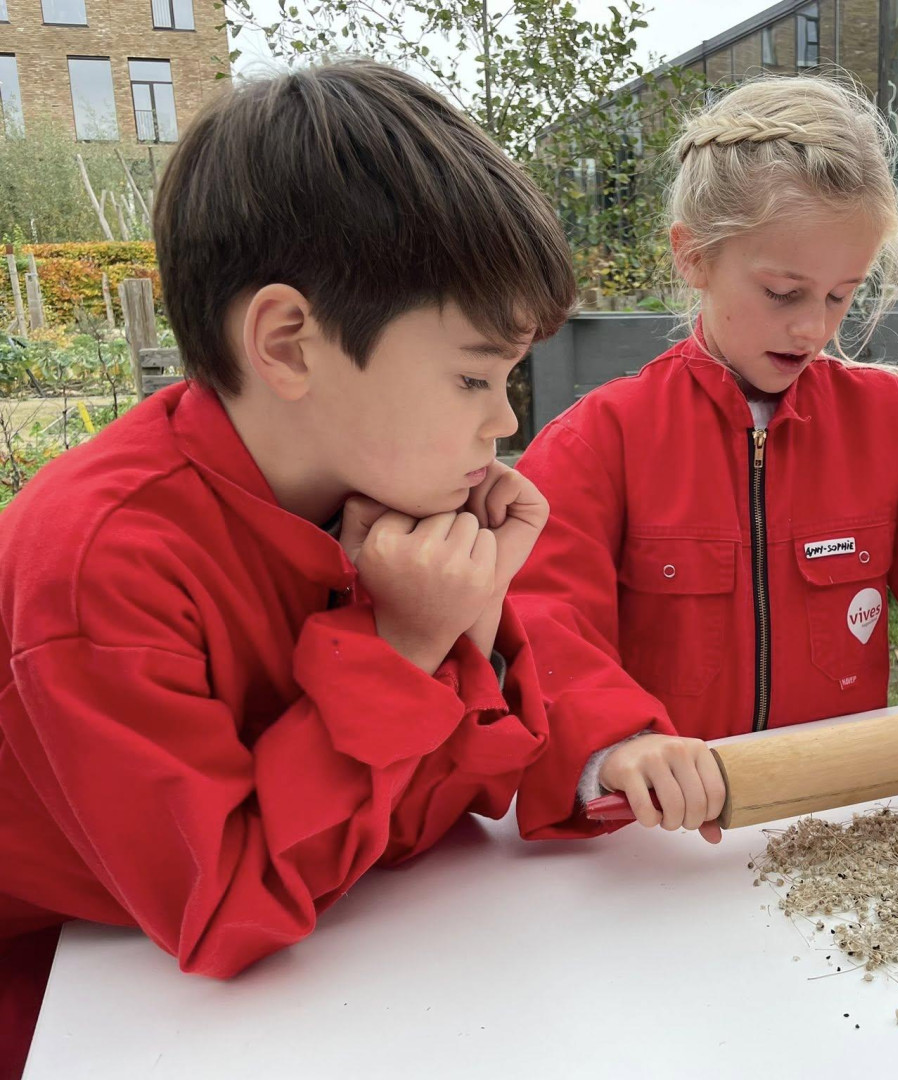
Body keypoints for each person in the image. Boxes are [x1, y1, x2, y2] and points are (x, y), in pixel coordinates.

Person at [0, 61, 573, 1078]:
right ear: (289, 344)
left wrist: (470, 618)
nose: (503, 420)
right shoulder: (101, 563)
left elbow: (445, 812)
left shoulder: (371, 496)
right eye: (473, 376)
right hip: (60, 1004)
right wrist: (402, 646)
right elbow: (226, 909)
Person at [508, 76, 898, 844]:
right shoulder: (599, 441)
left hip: (839, 833)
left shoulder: (888, 423)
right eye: (783, 292)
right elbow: (540, 620)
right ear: (693, 255)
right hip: (667, 849)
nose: (813, 328)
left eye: (841, 296)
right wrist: (615, 742)